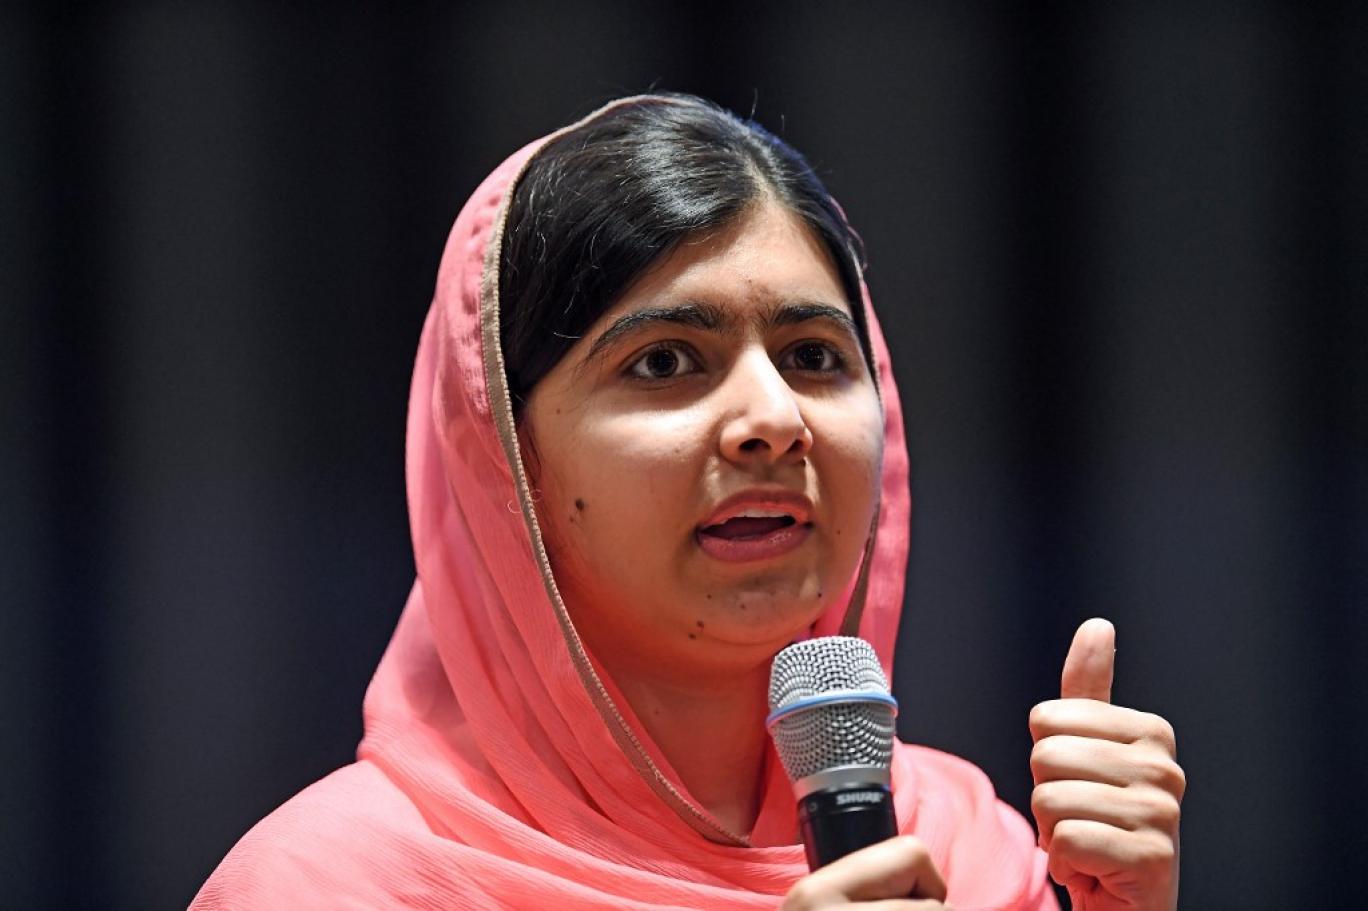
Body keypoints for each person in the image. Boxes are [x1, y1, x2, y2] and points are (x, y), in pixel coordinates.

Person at [191, 93, 1183, 910]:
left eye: (814, 356)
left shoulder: (975, 853)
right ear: (505, 462)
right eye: (665, 361)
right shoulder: (324, 887)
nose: (774, 418)